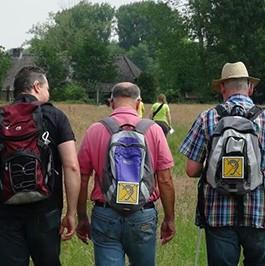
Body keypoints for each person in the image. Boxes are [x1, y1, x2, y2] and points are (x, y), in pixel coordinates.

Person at [76, 82, 176, 266]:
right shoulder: (154, 130)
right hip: (143, 213)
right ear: (138, 103)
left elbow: (82, 178)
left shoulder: (95, 130)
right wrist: (169, 219)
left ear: (112, 102)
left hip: (105, 212)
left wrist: (81, 217)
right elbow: (165, 179)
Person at [179, 61, 265, 266]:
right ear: (250, 88)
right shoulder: (264, 118)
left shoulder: (207, 117)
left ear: (222, 87)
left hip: (218, 213)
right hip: (260, 212)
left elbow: (191, 170)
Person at [0, 66, 81, 266]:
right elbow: (71, 166)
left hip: (5, 212)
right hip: (46, 210)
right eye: (47, 88)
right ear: (36, 87)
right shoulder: (55, 116)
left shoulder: (2, 118)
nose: (48, 92)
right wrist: (71, 212)